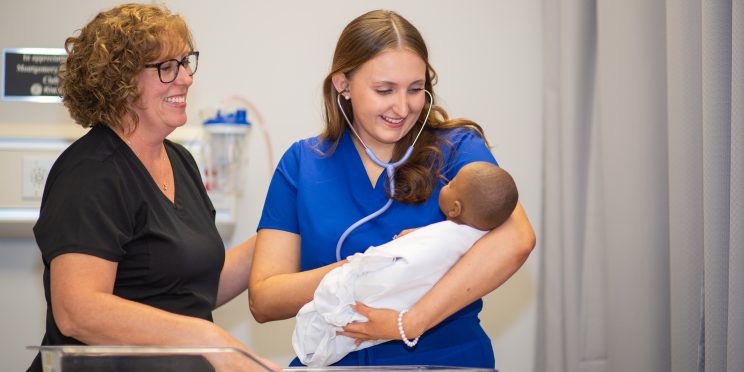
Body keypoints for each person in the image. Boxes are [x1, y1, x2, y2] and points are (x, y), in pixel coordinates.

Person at [249, 9, 535, 369]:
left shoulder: (457, 150)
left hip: (444, 358)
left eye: (415, 89)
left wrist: (410, 322)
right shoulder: (302, 163)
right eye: (385, 90)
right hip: (331, 360)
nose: (402, 107)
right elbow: (264, 299)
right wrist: (370, 267)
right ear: (343, 84)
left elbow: (518, 238)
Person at [28, 4, 276, 371]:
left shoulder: (180, 162)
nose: (186, 78)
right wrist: (210, 340)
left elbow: (191, 291)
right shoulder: (91, 173)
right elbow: (77, 312)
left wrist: (282, 233)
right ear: (121, 80)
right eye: (166, 67)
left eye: (185, 61)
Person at [293, 162, 519, 366]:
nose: (444, 184)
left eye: (450, 184)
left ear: (455, 209)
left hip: (412, 336)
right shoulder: (471, 238)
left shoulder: (446, 238)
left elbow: (402, 267)